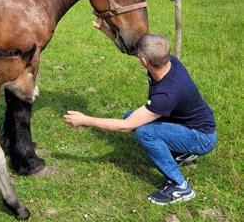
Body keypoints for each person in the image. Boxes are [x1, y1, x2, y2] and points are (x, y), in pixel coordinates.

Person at [63, 31, 217, 204]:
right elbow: (135, 50)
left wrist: (85, 120)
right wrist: (107, 31)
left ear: (144, 62)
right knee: (131, 116)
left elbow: (125, 126)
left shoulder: (166, 95)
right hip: (189, 124)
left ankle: (180, 187)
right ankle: (181, 151)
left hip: (201, 138)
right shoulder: (168, 61)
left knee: (145, 131)